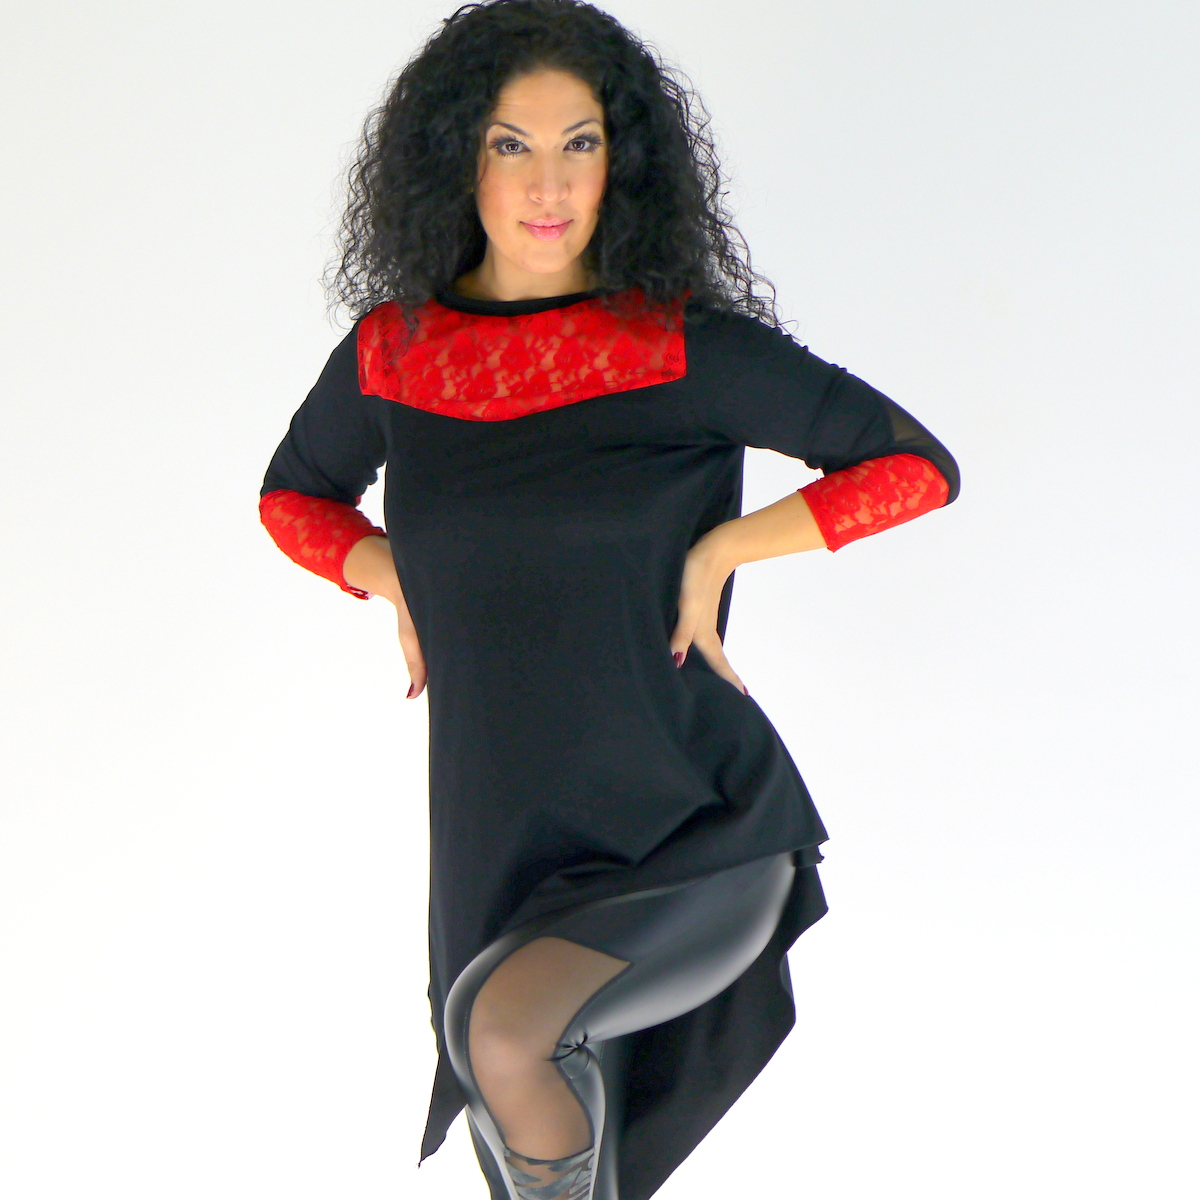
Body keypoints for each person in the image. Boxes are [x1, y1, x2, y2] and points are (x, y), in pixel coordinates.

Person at [258, 2, 960, 1198]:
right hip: (500, 850)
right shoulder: (395, 356)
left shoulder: (683, 348)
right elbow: (293, 498)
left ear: (619, 163)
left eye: (579, 143)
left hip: (694, 834)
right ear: (457, 160)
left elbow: (915, 468)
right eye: (512, 145)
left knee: (507, 1038)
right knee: (512, 1085)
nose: (549, 185)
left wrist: (727, 546)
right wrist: (395, 573)